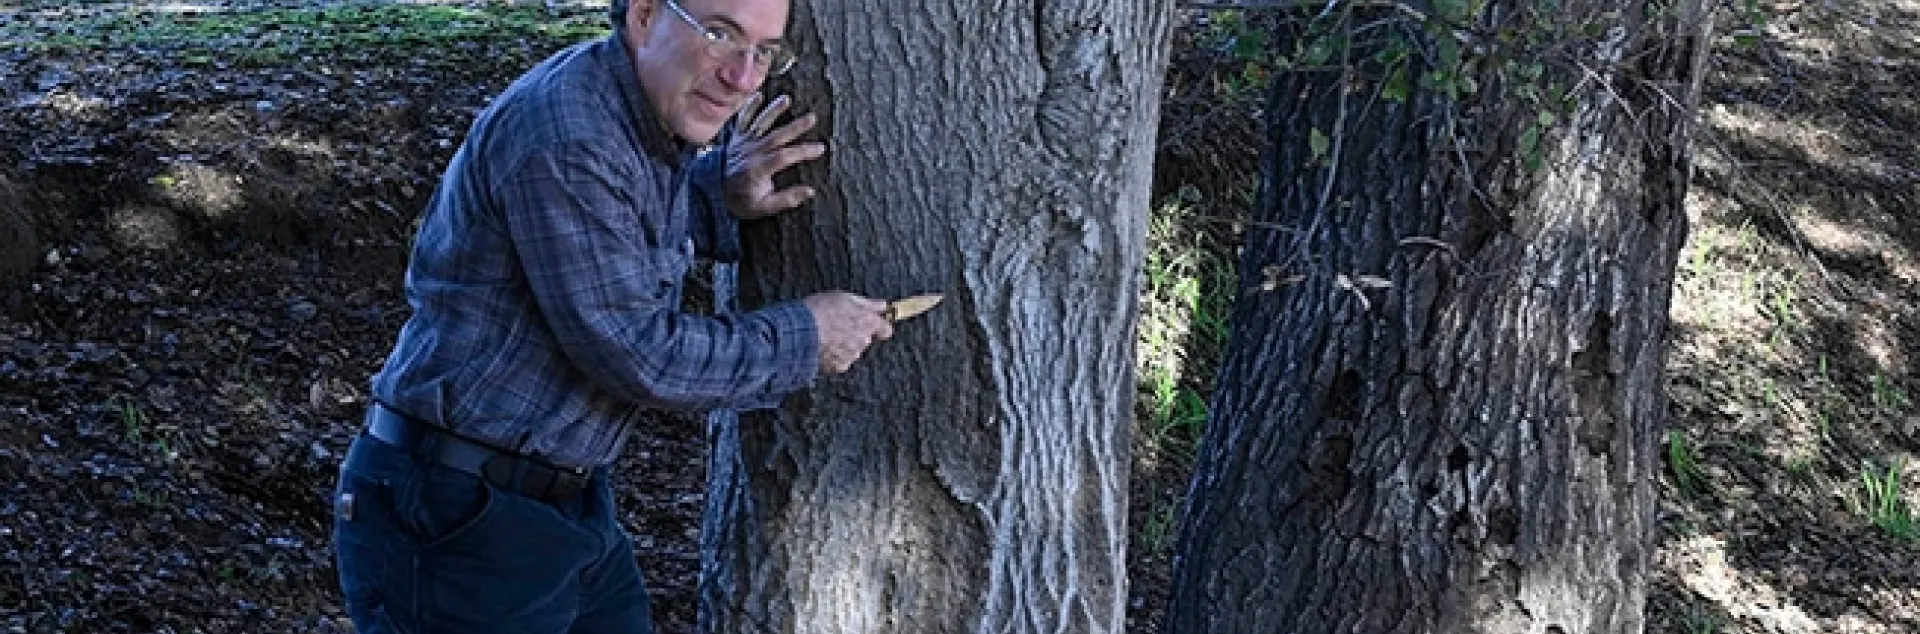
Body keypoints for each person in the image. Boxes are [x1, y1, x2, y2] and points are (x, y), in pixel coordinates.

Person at [328, 0, 895, 631]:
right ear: (646, 14)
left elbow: (610, 246)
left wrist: (717, 196)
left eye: (764, 51)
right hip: (458, 521)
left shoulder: (633, 114)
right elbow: (638, 352)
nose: (743, 77)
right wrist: (806, 337)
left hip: (553, 505)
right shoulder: (567, 134)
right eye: (720, 35)